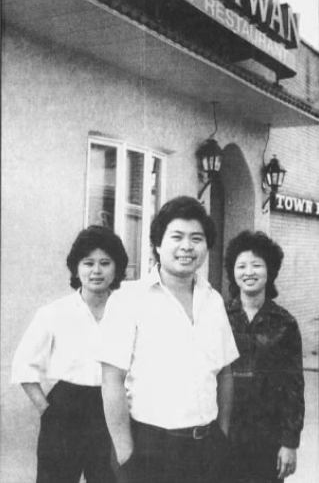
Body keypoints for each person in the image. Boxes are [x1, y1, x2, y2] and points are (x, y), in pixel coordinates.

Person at [95, 196, 239, 483]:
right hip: (151, 448)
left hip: (207, 448)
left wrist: (221, 434)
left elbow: (225, 372)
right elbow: (112, 381)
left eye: (196, 238)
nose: (187, 246)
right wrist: (125, 454)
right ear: (158, 245)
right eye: (177, 237)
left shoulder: (213, 301)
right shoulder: (128, 299)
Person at [12, 225, 128, 483]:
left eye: (105, 263)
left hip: (113, 408)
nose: (96, 271)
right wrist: (47, 410)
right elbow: (23, 366)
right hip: (65, 409)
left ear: (117, 268)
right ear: (76, 268)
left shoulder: (128, 313)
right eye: (88, 263)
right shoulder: (54, 313)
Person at [225, 230, 305, 483]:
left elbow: (294, 385)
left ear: (269, 270)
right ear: (233, 272)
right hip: (224, 435)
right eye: (241, 266)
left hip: (267, 439)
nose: (249, 272)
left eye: (256, 265)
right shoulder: (218, 316)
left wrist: (289, 443)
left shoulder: (285, 323)